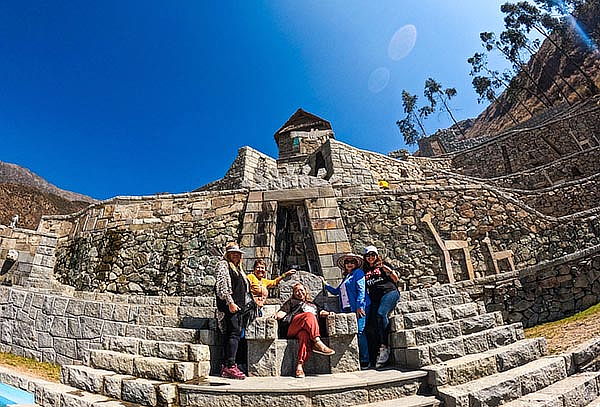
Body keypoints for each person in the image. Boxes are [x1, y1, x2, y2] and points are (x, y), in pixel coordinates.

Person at [274, 282, 335, 378]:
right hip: (293, 327)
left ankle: (299, 366)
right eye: (296, 291)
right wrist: (276, 315)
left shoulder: (312, 304)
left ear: (306, 292)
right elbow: (283, 311)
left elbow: (320, 312)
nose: (299, 292)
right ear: (293, 294)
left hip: (306, 330)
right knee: (309, 315)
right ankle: (317, 342)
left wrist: (329, 313)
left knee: (304, 335)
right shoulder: (291, 302)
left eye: (301, 290)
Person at [215, 242, 256, 380]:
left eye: (237, 253)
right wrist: (230, 302)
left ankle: (228, 365)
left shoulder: (238, 269)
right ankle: (230, 366)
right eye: (233, 253)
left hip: (239, 308)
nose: (235, 255)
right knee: (233, 334)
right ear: (227, 254)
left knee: (234, 334)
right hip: (230, 307)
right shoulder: (223, 265)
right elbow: (222, 286)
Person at [323, 253, 370, 368]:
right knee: (352, 333)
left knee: (360, 331)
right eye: (347, 262)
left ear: (356, 264)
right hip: (347, 309)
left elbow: (361, 290)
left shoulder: (358, 274)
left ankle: (365, 359)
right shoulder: (346, 277)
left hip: (359, 307)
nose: (349, 264)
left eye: (352, 262)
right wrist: (325, 284)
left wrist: (360, 306)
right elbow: (336, 291)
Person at [363, 245, 401, 368]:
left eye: (373, 255)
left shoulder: (383, 265)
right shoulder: (364, 271)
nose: (370, 257)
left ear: (377, 255)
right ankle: (373, 355)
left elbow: (396, 279)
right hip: (375, 298)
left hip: (389, 292)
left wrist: (386, 269)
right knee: (370, 325)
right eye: (368, 255)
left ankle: (385, 347)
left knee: (381, 314)